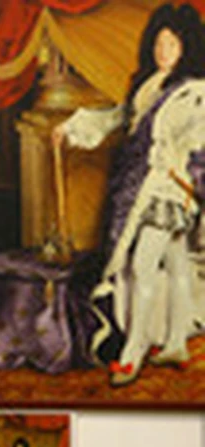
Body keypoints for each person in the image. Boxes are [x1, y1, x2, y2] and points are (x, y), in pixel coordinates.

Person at [53, 3, 205, 386]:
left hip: (170, 189)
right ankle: (175, 343)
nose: (163, 51)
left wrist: (185, 174)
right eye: (159, 44)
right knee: (176, 264)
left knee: (142, 264)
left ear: (187, 47)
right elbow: (119, 118)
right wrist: (71, 128)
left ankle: (133, 352)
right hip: (137, 186)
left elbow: (199, 147)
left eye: (172, 45)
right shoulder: (148, 86)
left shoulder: (196, 92)